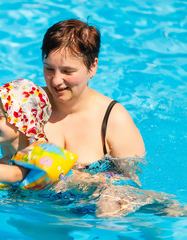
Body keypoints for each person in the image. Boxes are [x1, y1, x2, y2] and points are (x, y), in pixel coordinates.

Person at [37, 19, 187, 217]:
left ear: (92, 67)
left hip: (95, 207)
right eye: (49, 69)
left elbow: (130, 183)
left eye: (67, 71)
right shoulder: (31, 105)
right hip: (40, 206)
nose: (56, 81)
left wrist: (80, 180)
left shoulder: (113, 119)